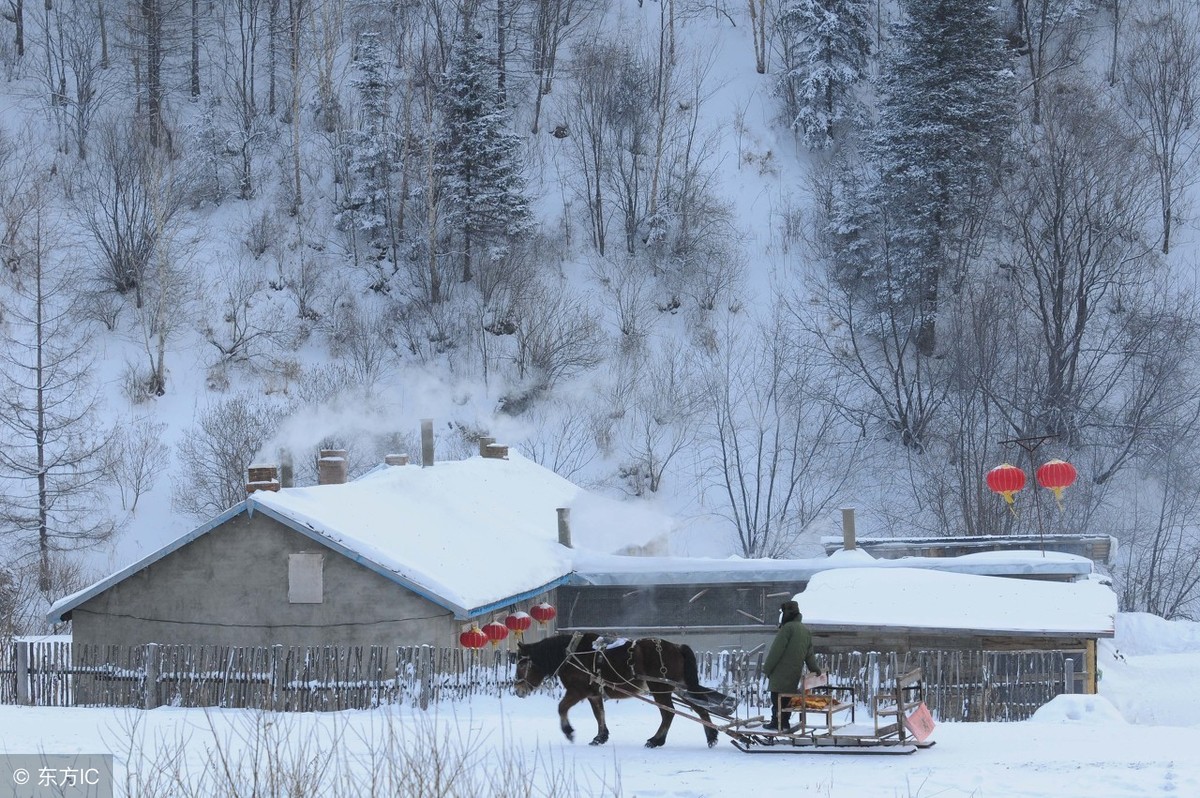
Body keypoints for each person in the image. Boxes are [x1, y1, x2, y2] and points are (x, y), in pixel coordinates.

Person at [761, 599, 821, 731]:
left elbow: (776, 651)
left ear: (787, 614)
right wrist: (815, 669)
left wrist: (767, 669)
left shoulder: (787, 629)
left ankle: (776, 722)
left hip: (780, 673)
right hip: (794, 674)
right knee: (787, 699)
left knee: (776, 698)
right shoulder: (805, 631)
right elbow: (809, 654)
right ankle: (785, 722)